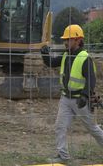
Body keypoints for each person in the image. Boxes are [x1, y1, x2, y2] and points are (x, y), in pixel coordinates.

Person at [41, 24, 103, 163]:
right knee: (60, 126)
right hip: (66, 99)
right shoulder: (66, 55)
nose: (65, 42)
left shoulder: (84, 58)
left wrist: (85, 96)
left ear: (78, 40)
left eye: (68, 39)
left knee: (92, 128)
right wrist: (44, 53)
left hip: (81, 100)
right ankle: (63, 156)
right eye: (65, 39)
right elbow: (51, 62)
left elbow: (91, 80)